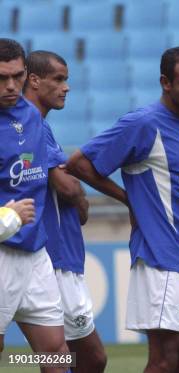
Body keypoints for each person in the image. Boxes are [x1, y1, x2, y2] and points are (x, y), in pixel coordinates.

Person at [67, 47, 179, 373]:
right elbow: (79, 163)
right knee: (165, 361)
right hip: (161, 258)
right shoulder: (143, 123)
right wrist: (127, 198)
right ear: (165, 82)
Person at [24, 50, 107, 373]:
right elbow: (69, 188)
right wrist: (81, 198)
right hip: (54, 258)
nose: (66, 87)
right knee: (88, 358)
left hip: (60, 255)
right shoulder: (33, 126)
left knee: (58, 357)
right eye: (58, 79)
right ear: (34, 80)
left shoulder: (37, 126)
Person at [0, 38, 70, 373]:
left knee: (56, 353)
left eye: (17, 76)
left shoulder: (31, 115)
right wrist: (7, 217)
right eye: (1, 78)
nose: (11, 86)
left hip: (34, 252)